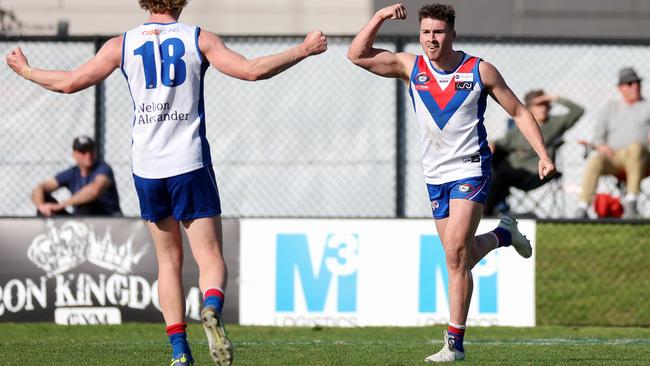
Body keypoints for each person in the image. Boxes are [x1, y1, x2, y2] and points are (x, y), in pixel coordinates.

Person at [6, 0, 327, 365]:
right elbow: (252, 71)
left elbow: (69, 83)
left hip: (146, 167)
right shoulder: (198, 39)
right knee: (209, 256)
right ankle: (210, 306)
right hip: (188, 161)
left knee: (167, 261)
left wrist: (26, 70)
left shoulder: (120, 45)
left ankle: (179, 352)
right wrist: (303, 49)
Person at [348, 3, 554, 363]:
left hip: (471, 171)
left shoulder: (479, 70)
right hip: (435, 176)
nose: (431, 39)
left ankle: (454, 344)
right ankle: (504, 235)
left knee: (455, 253)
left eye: (438, 32)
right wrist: (379, 17)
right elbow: (357, 55)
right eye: (426, 32)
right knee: (460, 256)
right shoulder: (410, 66)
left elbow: (520, 111)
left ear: (452, 34)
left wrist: (543, 155)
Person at [485, 90, 584, 216]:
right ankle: (493, 209)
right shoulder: (520, 126)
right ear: (529, 108)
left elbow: (578, 111)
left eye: (546, 105)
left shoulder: (555, 123)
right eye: (539, 105)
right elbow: (502, 142)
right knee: (491, 163)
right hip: (511, 167)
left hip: (535, 172)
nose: (544, 108)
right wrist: (492, 144)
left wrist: (554, 97)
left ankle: (486, 213)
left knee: (499, 174)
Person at [575, 67, 650, 219]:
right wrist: (601, 146)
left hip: (642, 158)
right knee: (595, 160)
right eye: (630, 83)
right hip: (615, 157)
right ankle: (582, 207)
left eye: (637, 82)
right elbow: (598, 137)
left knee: (635, 148)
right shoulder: (610, 108)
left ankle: (631, 202)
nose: (635, 86)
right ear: (621, 88)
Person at [31, 135, 122, 217]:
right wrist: (41, 206)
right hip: (80, 218)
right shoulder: (72, 172)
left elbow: (94, 191)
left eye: (91, 150)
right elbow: (40, 188)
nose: (88, 155)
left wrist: (59, 206)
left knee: (85, 204)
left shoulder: (103, 169)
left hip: (107, 218)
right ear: (74, 154)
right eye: (83, 151)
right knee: (44, 201)